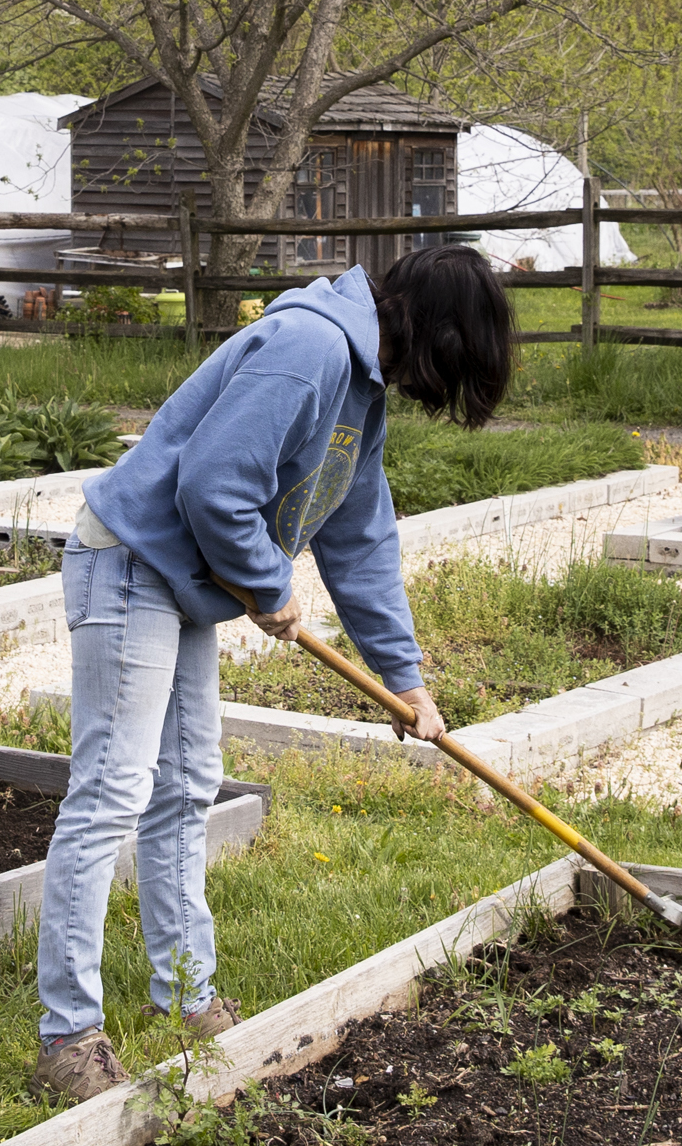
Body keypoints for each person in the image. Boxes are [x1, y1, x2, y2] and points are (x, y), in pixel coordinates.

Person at [27, 244, 516, 1101]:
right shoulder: (311, 349)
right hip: (132, 565)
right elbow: (215, 485)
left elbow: (361, 541)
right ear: (436, 335)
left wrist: (404, 679)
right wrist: (266, 582)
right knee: (112, 790)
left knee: (186, 789)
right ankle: (69, 1036)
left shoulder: (360, 389)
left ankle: (187, 998)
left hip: (180, 583)